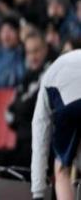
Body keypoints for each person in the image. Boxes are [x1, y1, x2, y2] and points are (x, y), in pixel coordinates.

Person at [31, 49, 81, 200]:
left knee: (61, 169)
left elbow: (40, 134)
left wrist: (38, 192)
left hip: (69, 104)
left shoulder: (49, 76)